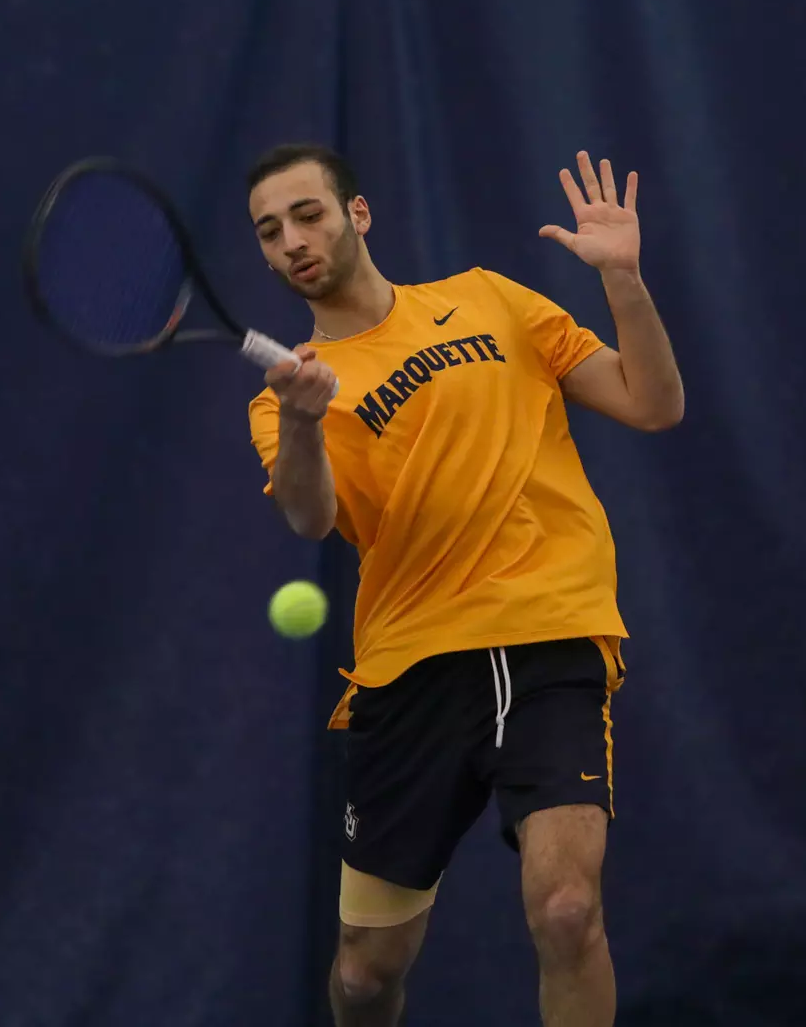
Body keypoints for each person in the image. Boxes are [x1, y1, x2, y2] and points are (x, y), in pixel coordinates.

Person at [244, 142, 683, 1027]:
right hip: (411, 670)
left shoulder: (489, 299)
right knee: (366, 976)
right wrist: (301, 421)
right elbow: (309, 516)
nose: (292, 239)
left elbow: (652, 402)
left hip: (551, 633)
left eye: (308, 214)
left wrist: (624, 279)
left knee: (566, 911)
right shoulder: (283, 399)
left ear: (356, 215)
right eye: (268, 231)